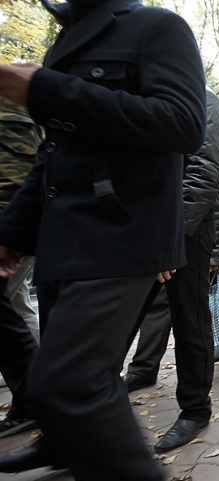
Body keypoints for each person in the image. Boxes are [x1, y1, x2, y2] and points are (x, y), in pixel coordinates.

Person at [0, 0, 206, 476]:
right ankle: (62, 445)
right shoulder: (64, 42)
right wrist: (12, 230)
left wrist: (47, 89)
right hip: (63, 242)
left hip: (122, 237)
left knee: (69, 383)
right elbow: (54, 154)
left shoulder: (158, 27)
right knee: (66, 374)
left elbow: (184, 125)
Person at [118, 89, 219, 455]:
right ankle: (96, 401)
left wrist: (171, 238)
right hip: (141, 228)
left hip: (185, 231)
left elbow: (204, 173)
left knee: (189, 319)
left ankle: (195, 409)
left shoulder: (204, 101)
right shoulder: (139, 95)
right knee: (120, 316)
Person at [0, 96, 42, 439]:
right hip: (16, 229)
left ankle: (38, 399)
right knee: (16, 308)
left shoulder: (11, 106)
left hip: (10, 231)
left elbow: (18, 175)